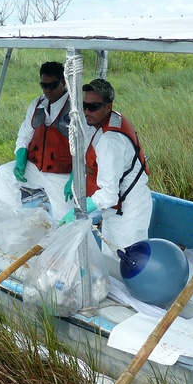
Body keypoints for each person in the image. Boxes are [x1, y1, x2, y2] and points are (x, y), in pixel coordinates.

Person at [63, 78, 152, 256]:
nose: (87, 111)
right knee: (110, 261)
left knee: (127, 265)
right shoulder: (100, 122)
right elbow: (86, 147)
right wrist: (74, 174)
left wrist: (79, 211)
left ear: (108, 106)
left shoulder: (110, 142)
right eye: (84, 105)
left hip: (127, 212)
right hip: (116, 210)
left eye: (93, 106)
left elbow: (109, 195)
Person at [0, 61, 73, 223]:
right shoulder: (37, 105)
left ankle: (65, 246)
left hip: (61, 174)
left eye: (53, 85)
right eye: (44, 85)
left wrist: (76, 177)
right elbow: (24, 135)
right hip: (36, 167)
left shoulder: (74, 109)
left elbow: (84, 148)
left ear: (63, 82)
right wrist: (20, 158)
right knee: (4, 174)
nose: (48, 90)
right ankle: (11, 225)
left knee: (64, 221)